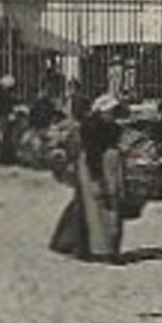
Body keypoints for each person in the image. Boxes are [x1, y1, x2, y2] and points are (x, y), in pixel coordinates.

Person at [48, 93, 126, 263]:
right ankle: (101, 249)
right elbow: (93, 154)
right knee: (98, 206)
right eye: (109, 111)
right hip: (93, 166)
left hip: (103, 166)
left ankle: (73, 243)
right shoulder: (92, 128)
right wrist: (98, 178)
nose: (112, 114)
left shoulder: (110, 126)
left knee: (89, 205)